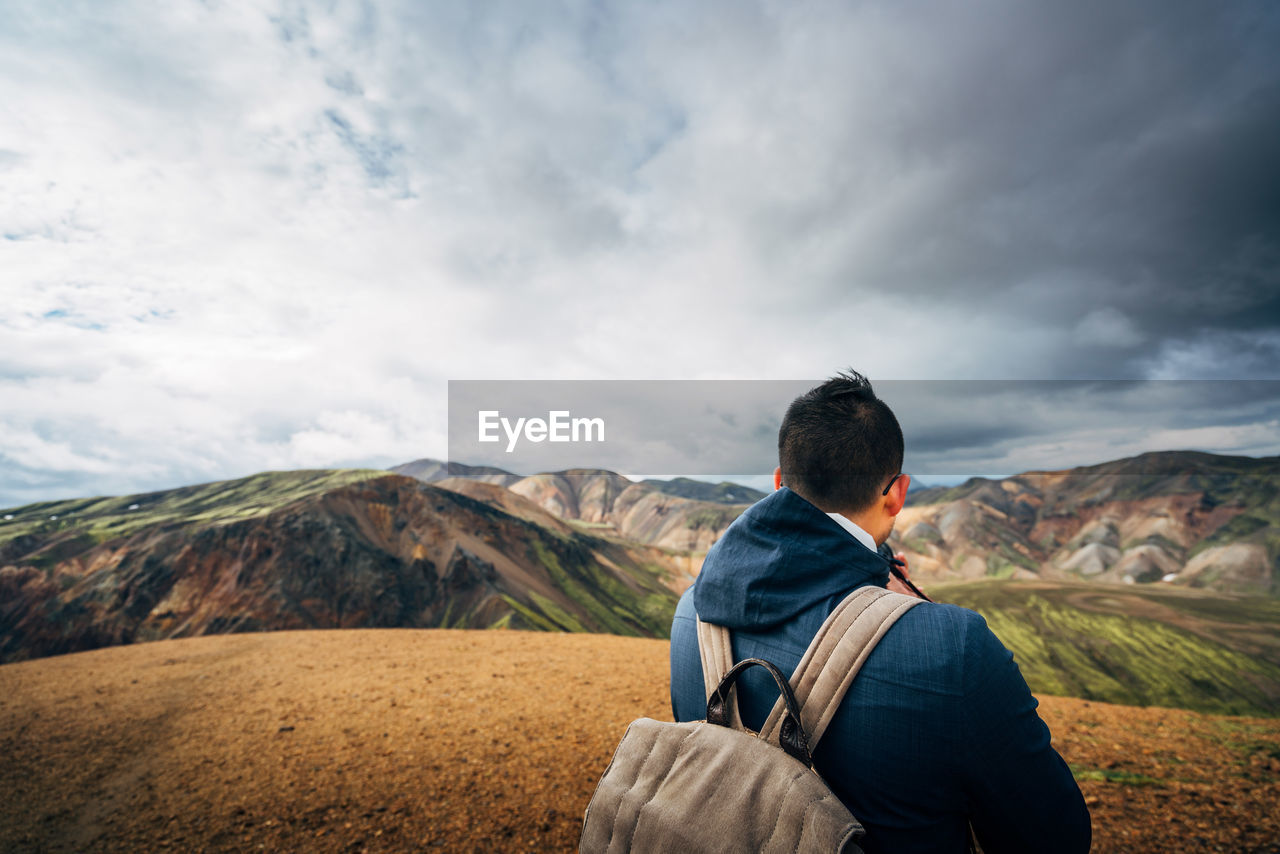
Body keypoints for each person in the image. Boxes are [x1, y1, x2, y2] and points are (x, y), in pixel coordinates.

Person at [669, 370, 1091, 853]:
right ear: (897, 492)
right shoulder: (955, 649)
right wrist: (914, 619)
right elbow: (1055, 837)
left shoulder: (690, 615)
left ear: (780, 482)